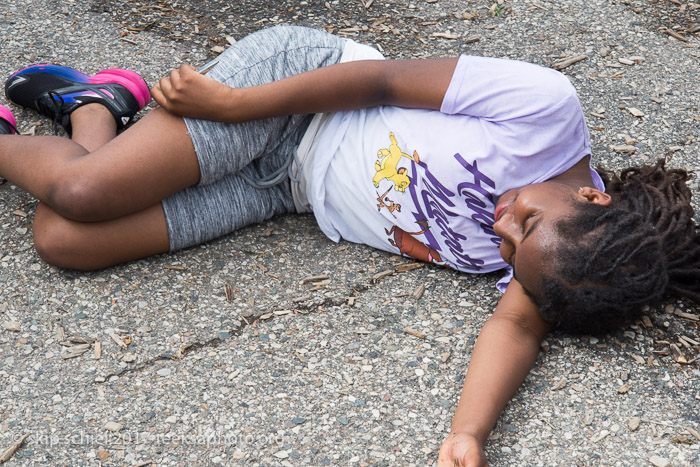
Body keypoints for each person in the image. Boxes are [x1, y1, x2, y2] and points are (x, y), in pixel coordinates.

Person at [1, 26, 697, 466]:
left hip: (285, 190)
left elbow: (515, 326)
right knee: (83, 195)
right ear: (592, 196)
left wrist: (468, 436)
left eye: (509, 252)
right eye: (526, 223)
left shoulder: (560, 268)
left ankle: (95, 106)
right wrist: (232, 105)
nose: (502, 229)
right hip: (287, 95)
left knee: (62, 238)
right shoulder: (546, 112)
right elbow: (383, 79)